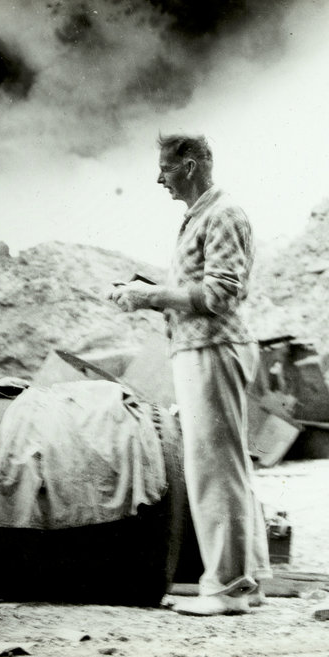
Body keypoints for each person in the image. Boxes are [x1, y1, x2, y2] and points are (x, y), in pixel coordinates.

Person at [108, 133, 272, 615]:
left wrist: (150, 296)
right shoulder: (203, 216)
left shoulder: (222, 213)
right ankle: (247, 582)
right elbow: (199, 289)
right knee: (226, 466)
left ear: (191, 165)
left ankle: (226, 589)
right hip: (202, 348)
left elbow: (219, 294)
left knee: (213, 469)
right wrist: (149, 295)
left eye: (166, 168)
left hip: (212, 349)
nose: (159, 178)